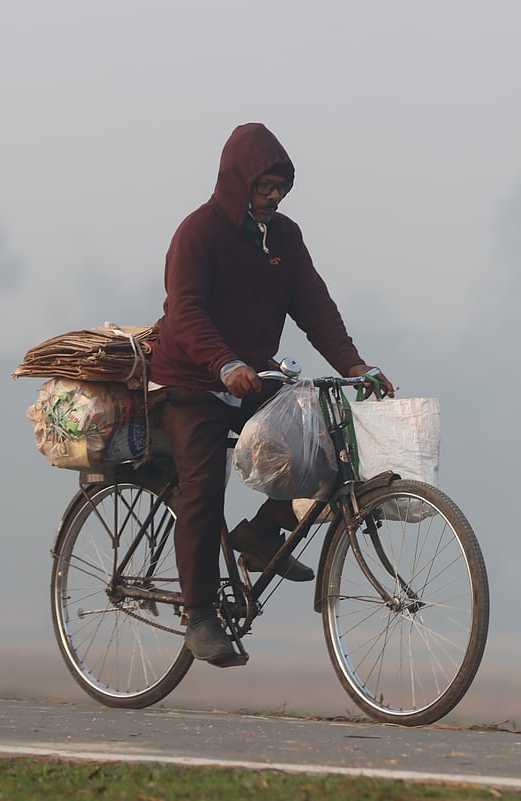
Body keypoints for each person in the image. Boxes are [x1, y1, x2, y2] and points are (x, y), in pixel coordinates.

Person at [147, 122, 394, 666]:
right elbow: (184, 311)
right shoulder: (199, 232)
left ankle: (261, 536)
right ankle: (200, 615)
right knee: (202, 488)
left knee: (315, 440)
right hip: (188, 382)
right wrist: (224, 362)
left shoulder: (284, 236)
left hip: (250, 379)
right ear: (238, 182)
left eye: (281, 186)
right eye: (264, 186)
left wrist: (354, 363)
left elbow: (314, 306)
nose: (274, 195)